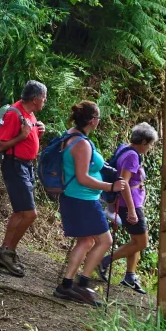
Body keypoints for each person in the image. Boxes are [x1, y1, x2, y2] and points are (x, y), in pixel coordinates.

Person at [53, 101, 127, 306]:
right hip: (83, 200)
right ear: (93, 120)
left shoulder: (71, 135)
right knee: (105, 241)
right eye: (99, 119)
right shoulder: (82, 144)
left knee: (86, 241)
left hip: (77, 198)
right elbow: (83, 177)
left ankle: (67, 285)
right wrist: (110, 187)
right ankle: (81, 283)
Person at [0, 80, 47, 277]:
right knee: (30, 214)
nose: (45, 102)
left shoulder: (28, 113)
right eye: (44, 98)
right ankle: (9, 252)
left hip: (25, 166)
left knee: (19, 213)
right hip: (15, 166)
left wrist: (37, 132)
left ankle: (3, 253)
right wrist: (23, 137)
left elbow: (27, 134)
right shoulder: (14, 114)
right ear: (35, 99)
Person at [98, 123, 158, 294]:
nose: (151, 147)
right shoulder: (132, 156)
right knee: (142, 242)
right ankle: (103, 262)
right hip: (128, 205)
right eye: (150, 144)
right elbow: (123, 184)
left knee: (135, 241)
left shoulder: (126, 148)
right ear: (144, 141)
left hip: (132, 203)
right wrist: (132, 210)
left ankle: (130, 276)